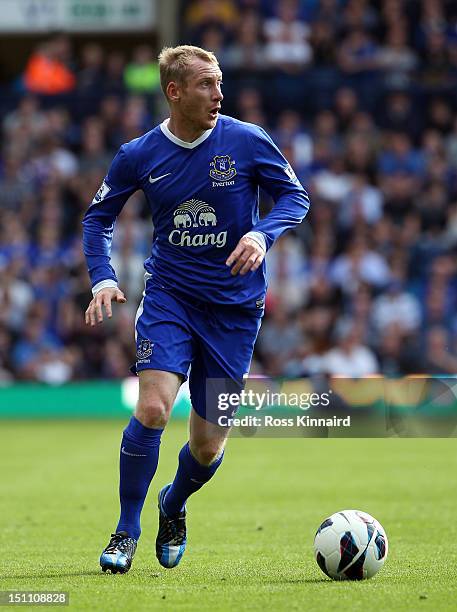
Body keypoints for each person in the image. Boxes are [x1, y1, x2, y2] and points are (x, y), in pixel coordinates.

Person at [82, 45, 310, 574]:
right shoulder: (138, 154)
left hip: (234, 309)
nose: (219, 94)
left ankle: (174, 503)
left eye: (220, 82)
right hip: (171, 298)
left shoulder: (248, 140)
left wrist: (262, 232)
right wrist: (103, 278)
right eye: (207, 84)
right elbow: (98, 219)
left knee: (206, 448)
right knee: (155, 409)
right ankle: (125, 530)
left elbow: (294, 198)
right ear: (174, 91)